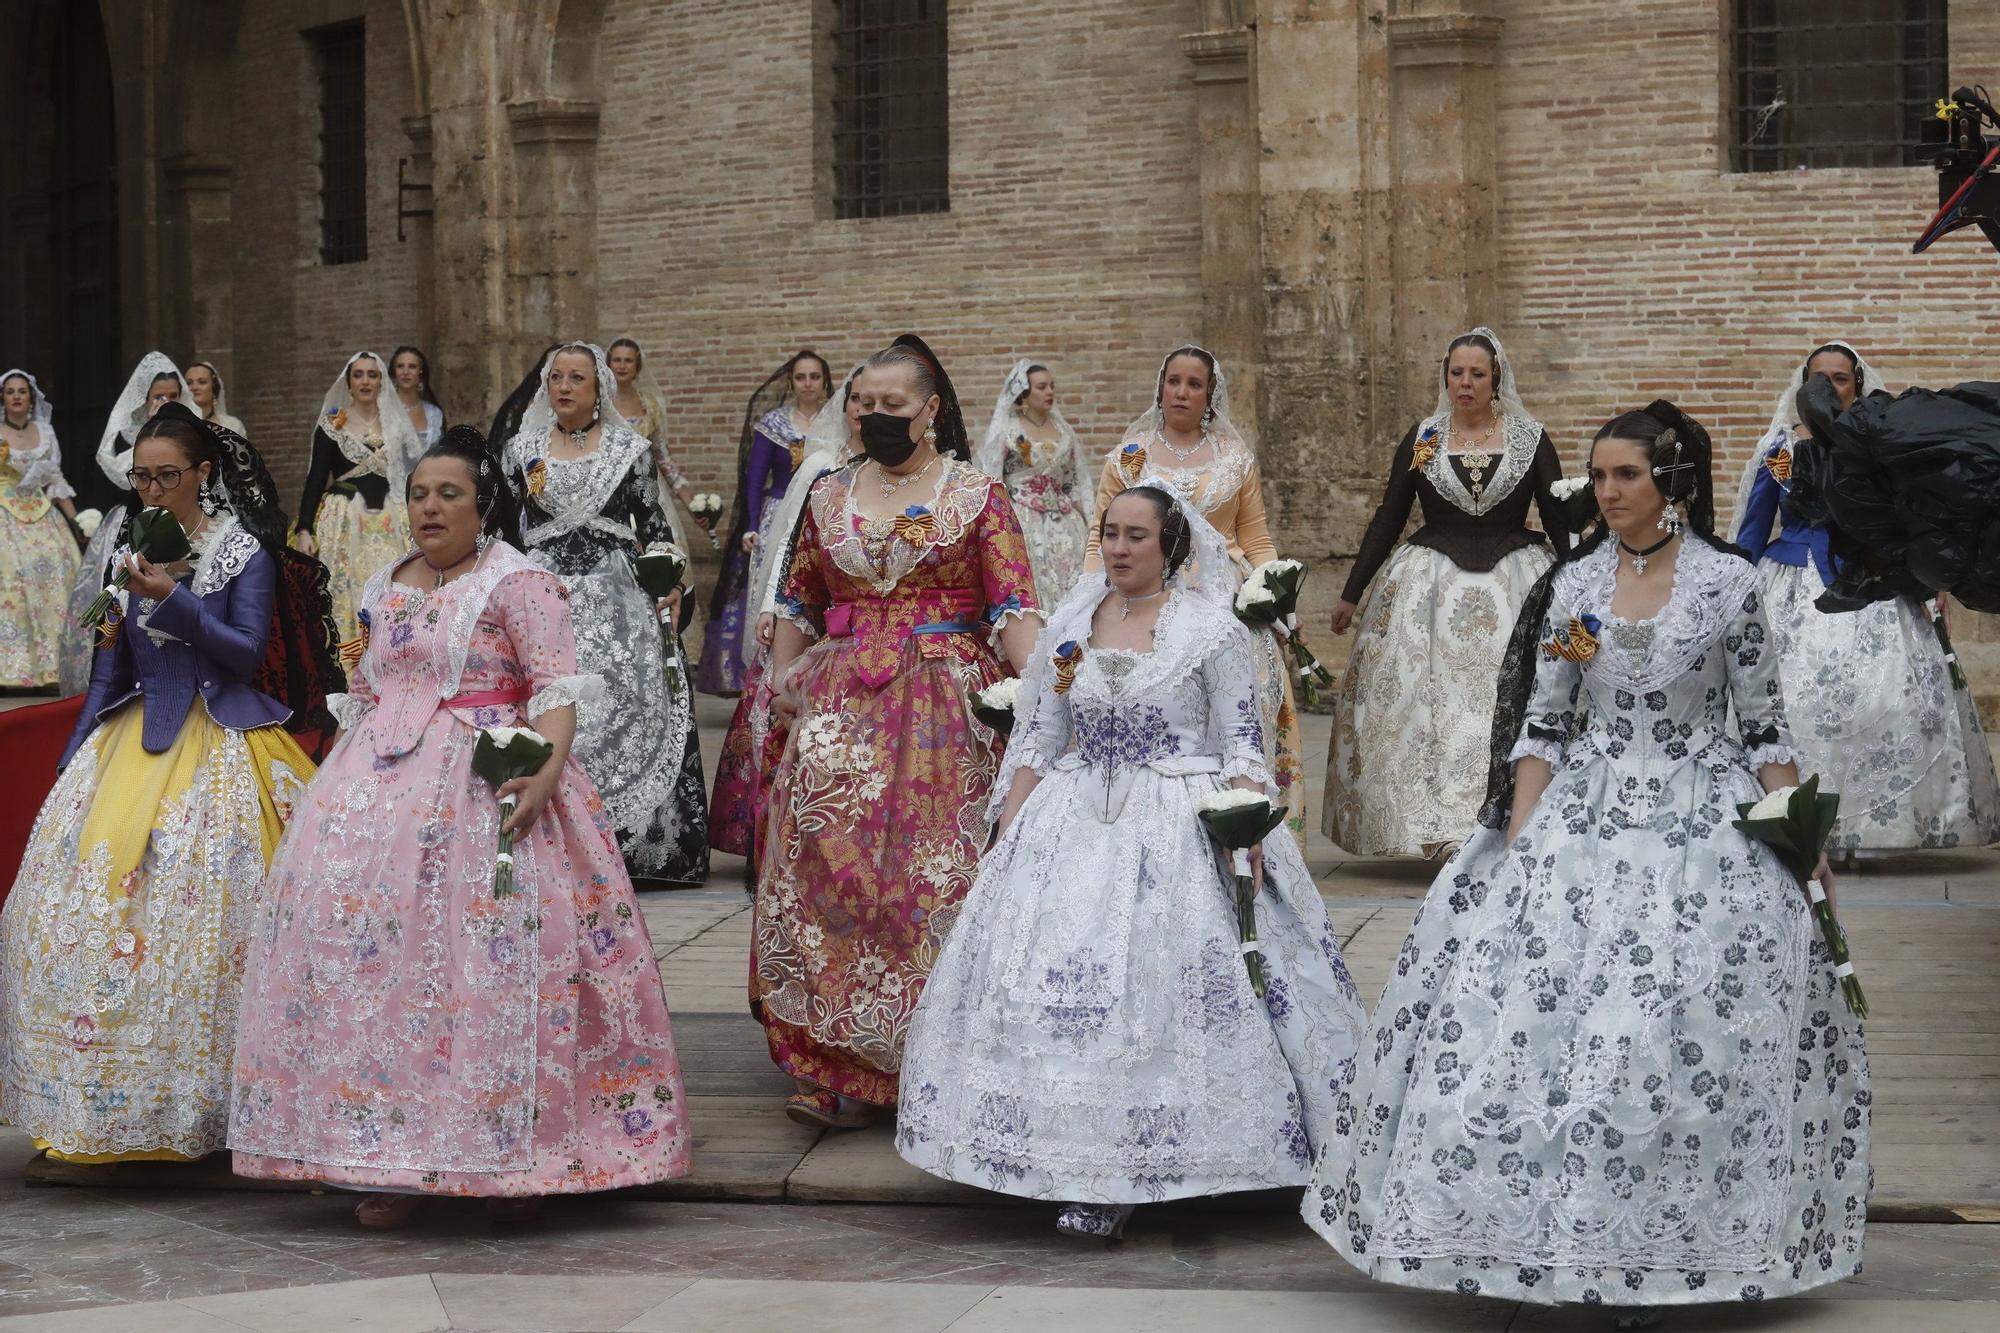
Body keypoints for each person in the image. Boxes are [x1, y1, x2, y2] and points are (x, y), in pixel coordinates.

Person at [1304, 401, 1870, 1319]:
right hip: (1584, 813)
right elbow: (1547, 720)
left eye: (1625, 477)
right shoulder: (1574, 590)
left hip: (1703, 820)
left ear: (1670, 484)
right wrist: (1521, 847)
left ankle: (1668, 1248)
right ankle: (1535, 1233)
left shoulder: (1729, 586)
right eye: (1599, 477)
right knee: (1534, 1028)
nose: (1605, 493)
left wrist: (1801, 842)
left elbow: (1764, 725)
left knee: (1673, 1031)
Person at [230, 427, 689, 1225]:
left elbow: (554, 689)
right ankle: (390, 1158)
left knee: (487, 963)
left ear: (484, 506)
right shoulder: (385, 580)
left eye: (449, 494)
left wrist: (543, 774)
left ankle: (517, 1156)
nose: (430, 507)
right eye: (418, 493)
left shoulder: (519, 582)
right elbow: (368, 687)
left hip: (489, 784)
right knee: (380, 971)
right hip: (375, 793)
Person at [897, 485, 1367, 1241]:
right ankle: (1068, 1161)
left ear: (1170, 546)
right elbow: (1039, 740)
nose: (1119, 547)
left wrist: (1246, 827)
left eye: (1136, 536)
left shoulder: (1212, 632)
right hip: (1072, 822)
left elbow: (1244, 744)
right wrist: (1007, 838)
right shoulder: (1068, 627)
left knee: (1161, 994)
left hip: (1178, 823)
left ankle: (1158, 1163)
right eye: (1110, 533)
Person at [0, 403, 315, 1162]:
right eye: (140, 476)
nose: (150, 490)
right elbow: (111, 663)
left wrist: (173, 598)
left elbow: (243, 654)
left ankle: (209, 1103)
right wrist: (75, 754)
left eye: (165, 475)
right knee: (86, 905)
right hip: (131, 738)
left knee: (204, 914)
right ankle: (100, 1099)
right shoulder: (124, 549)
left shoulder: (243, 552)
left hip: (222, 738)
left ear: (203, 474)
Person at [754, 335, 1040, 1129]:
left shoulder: (978, 496)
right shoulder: (826, 495)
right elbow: (799, 600)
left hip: (947, 710)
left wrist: (1048, 693)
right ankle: (827, 1060)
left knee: (933, 877)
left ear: (930, 409)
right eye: (865, 404)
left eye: (894, 406)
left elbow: (1014, 606)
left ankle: (931, 1053)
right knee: (821, 875)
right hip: (839, 707)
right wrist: (782, 679)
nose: (877, 416)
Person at [1734, 341, 1999, 852]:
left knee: (1887, 699)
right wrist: (1729, 592)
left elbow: (1911, 523)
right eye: (1819, 378)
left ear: (1857, 385)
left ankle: (1876, 824)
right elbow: (1753, 528)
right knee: (1790, 702)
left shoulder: (1882, 448)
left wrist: (1930, 581)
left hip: (1873, 584)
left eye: (1839, 378)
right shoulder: (1782, 453)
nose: (1829, 387)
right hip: (1789, 585)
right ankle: (1794, 817)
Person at [1325, 327, 1572, 857]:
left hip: (1517, 584)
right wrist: (1351, 593)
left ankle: (1514, 819)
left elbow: (1558, 518)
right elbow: (1389, 516)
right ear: (1446, 378)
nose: (1465, 383)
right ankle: (1424, 826)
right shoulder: (1425, 439)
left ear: (1495, 379)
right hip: (1426, 587)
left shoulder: (1529, 438)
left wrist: (1583, 584)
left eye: (1476, 374)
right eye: (1456, 373)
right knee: (1421, 705)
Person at [505, 342, 707, 884]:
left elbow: (657, 532)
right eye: (556, 378)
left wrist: (671, 585)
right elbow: (503, 535)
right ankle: (554, 838)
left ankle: (631, 848)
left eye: (577, 378)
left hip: (617, 602)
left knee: (623, 712)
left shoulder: (629, 450)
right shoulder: (520, 451)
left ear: (599, 391)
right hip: (544, 600)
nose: (565, 387)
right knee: (552, 708)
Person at [1087, 345, 1306, 840]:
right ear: (1160, 387)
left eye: (1194, 384)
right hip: (1144, 603)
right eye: (1174, 381)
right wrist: (1087, 605)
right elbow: (1097, 538)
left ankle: (1250, 826)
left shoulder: (1234, 458)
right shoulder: (1128, 457)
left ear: (1210, 395)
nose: (1182, 392)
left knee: (1240, 718)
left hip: (1226, 602)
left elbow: (1256, 538)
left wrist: (1281, 601)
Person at [709, 364, 864, 877]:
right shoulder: (820, 465)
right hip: (809, 612)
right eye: (857, 401)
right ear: (843, 409)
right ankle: (774, 833)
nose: (866, 412)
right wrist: (774, 606)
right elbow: (793, 543)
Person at [697, 350, 832, 696]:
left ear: (825, 381)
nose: (807, 384)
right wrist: (752, 524)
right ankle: (763, 672)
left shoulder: (837, 421)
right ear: (790, 382)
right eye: (800, 377)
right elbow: (755, 479)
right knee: (770, 590)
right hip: (778, 514)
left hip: (824, 510)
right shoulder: (773, 424)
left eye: (814, 377)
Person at [61, 354, 191, 695]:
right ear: (146, 402)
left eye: (173, 396)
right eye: (158, 397)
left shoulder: (193, 439)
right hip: (137, 524)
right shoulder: (138, 444)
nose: (165, 403)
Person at [292, 351, 424, 642]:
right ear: (349, 383)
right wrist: (304, 528)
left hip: (393, 519)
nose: (366, 381)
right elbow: (315, 479)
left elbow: (411, 476)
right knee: (348, 590)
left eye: (372, 375)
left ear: (381, 382)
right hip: (344, 520)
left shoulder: (396, 424)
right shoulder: (331, 425)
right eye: (359, 375)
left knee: (397, 587)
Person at [975, 359, 1091, 606]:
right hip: (1024, 522)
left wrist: (1090, 522)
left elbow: (1075, 481)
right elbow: (992, 479)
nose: (1049, 391)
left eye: (1051, 386)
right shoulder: (1008, 429)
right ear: (1024, 392)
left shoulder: (1063, 430)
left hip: (1066, 525)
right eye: (1041, 387)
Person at [0, 370, 82, 690]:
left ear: (31, 398)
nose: (17, 396)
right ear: (3, 398)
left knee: (55, 574)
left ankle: (53, 669)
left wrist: (76, 523)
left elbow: (55, 481)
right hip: (5, 513)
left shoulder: (45, 432)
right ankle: (10, 671)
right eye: (10, 392)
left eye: (23, 391)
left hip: (41, 511)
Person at [607, 337, 692, 511]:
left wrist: (692, 504)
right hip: (609, 489)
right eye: (617, 360)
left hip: (648, 489)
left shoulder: (651, 405)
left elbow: (662, 457)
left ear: (637, 366)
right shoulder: (599, 404)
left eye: (628, 360)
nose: (622, 365)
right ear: (608, 364)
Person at [389, 345, 446, 450]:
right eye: (400, 366)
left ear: (421, 371)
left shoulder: (434, 414)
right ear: (394, 372)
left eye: (412, 366)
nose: (406, 372)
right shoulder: (384, 410)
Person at [184, 361, 246, 436]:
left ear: (214, 386)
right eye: (189, 383)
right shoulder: (179, 424)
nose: (194, 387)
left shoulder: (233, 425)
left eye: (202, 382)